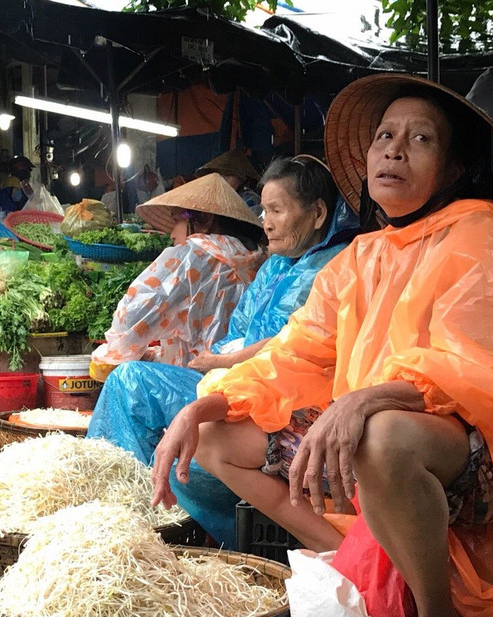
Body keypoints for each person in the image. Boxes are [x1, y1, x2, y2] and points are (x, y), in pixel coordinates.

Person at [151, 74, 493, 617]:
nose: (394, 150)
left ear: (451, 169)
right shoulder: (361, 256)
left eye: (421, 139)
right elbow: (296, 354)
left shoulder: (481, 232)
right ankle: (371, 572)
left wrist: (362, 400)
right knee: (217, 437)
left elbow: (479, 373)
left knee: (381, 437)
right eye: (385, 136)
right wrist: (200, 407)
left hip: (485, 449)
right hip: (374, 441)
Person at [89, 156, 357, 545]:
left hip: (288, 401)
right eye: (264, 211)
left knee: (132, 382)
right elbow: (241, 332)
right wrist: (218, 365)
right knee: (140, 388)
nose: (266, 222)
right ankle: (122, 509)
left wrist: (219, 362)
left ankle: (127, 515)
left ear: (317, 213)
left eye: (277, 210)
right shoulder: (274, 265)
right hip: (242, 384)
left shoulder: (335, 265)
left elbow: (293, 346)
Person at [89, 172, 267, 379]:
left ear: (205, 220)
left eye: (176, 221)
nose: (172, 233)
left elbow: (132, 318)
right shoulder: (258, 258)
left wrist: (109, 354)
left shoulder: (193, 255)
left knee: (121, 374)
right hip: (242, 380)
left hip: (196, 381)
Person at [196, 148, 262, 211]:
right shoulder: (210, 198)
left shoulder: (251, 200)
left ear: (241, 179)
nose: (222, 179)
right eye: (219, 174)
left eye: (227, 175)